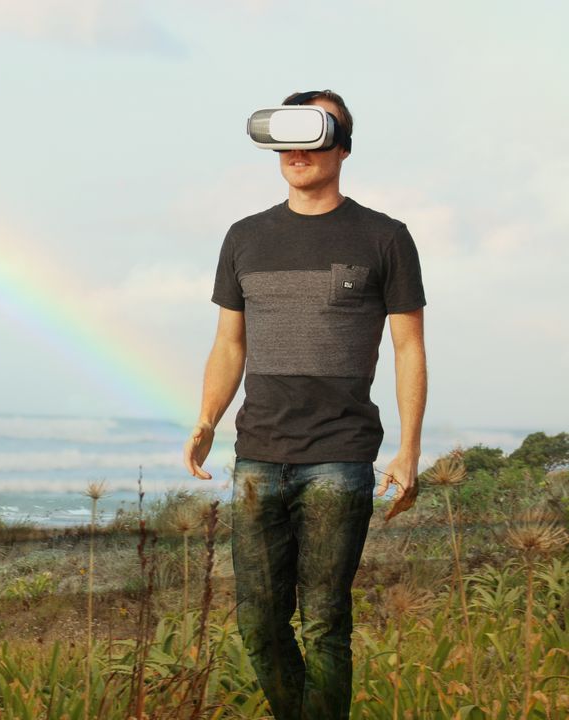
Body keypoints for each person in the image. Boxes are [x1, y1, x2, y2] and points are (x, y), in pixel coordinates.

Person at [182, 89, 427, 719]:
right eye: (285, 136)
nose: (298, 150)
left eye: (314, 133)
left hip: (340, 457)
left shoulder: (385, 237)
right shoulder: (244, 237)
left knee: (323, 622)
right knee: (258, 626)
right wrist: (207, 418)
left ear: (342, 145)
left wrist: (409, 449)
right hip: (258, 454)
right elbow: (228, 342)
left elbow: (408, 348)